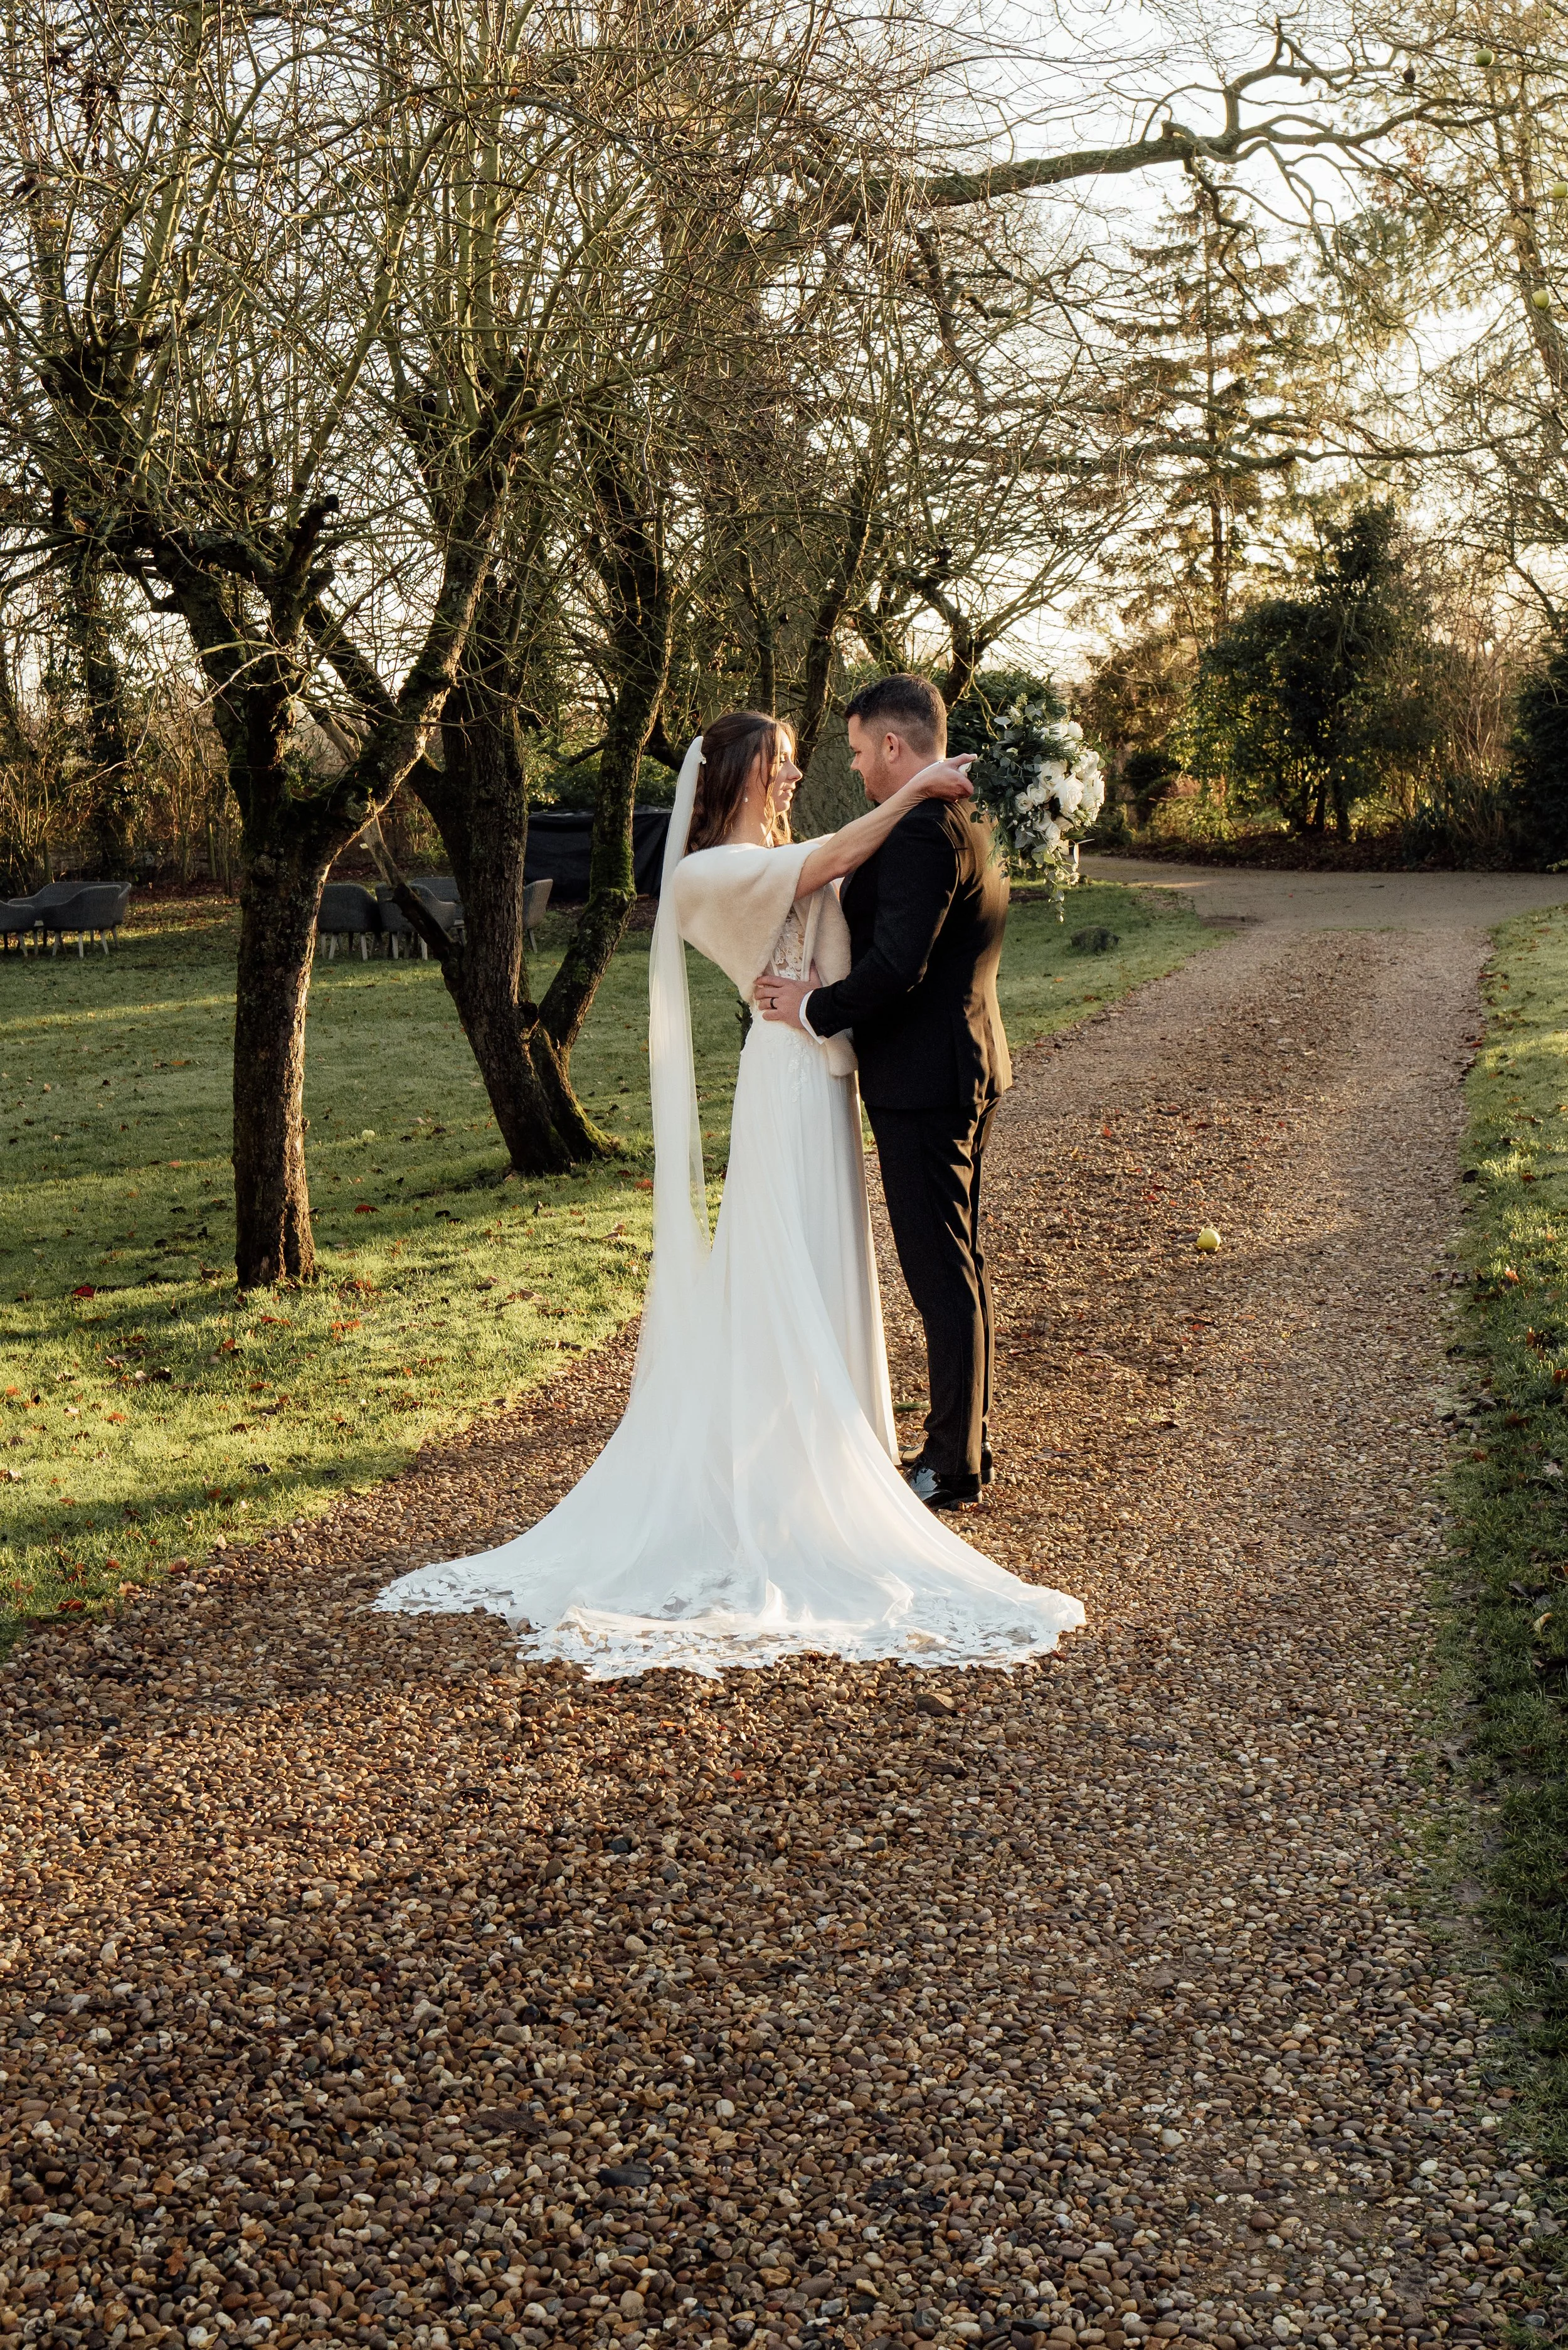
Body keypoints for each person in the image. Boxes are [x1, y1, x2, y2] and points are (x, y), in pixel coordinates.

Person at [376, 711, 1083, 1680]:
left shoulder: (790, 849)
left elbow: (847, 879)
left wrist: (917, 812)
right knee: (782, 1262)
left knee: (834, 1257)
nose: (794, 775)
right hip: (786, 1078)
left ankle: (840, 1452)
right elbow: (833, 861)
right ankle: (786, 1472)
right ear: (735, 773)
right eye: (780, 763)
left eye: (799, 761)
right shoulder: (706, 871)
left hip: (823, 1078)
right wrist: (918, 789)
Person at [758, 674, 1009, 1509]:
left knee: (939, 1270)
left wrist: (813, 1007)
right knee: (955, 1263)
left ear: (895, 747)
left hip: (926, 1079)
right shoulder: (949, 815)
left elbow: (896, 966)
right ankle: (964, 1442)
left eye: (864, 751)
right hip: (955, 1063)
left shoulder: (920, 834)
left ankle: (950, 1462)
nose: (861, 767)